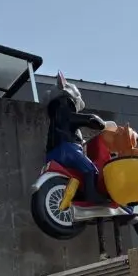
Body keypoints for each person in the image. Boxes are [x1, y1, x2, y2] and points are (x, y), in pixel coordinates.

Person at [44, 73, 109, 205]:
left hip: (52, 153)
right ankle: (92, 196)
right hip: (67, 149)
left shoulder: (54, 119)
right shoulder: (64, 110)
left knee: (76, 174)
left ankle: (79, 195)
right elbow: (73, 119)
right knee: (91, 169)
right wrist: (94, 119)